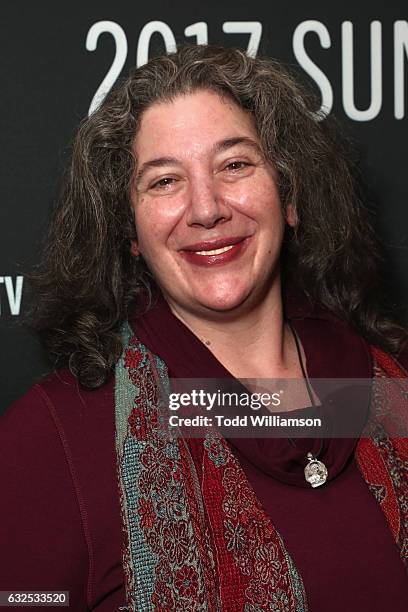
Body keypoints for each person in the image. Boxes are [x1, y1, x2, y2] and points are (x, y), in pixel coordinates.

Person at [1, 44, 408, 611]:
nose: (206, 208)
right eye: (164, 181)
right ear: (131, 233)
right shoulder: (55, 438)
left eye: (235, 165)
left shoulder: (386, 386)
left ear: (289, 195)